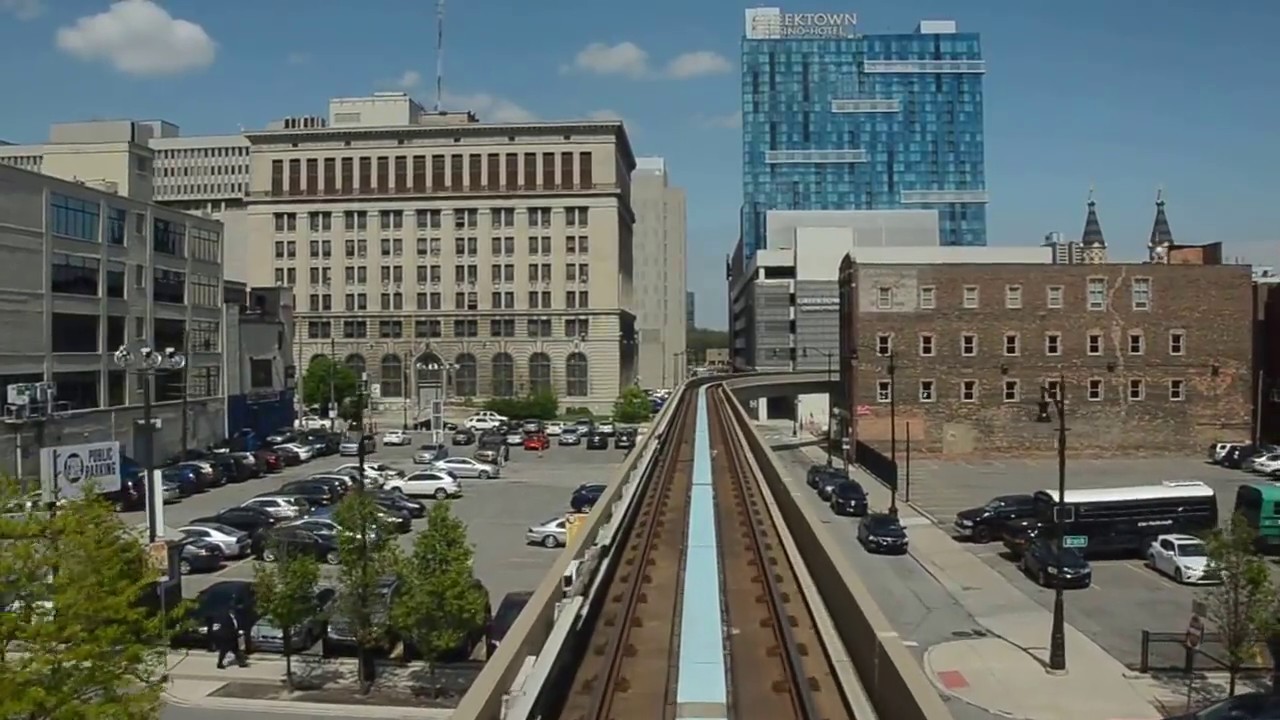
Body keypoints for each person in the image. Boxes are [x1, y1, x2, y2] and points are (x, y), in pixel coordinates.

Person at [215, 599, 249, 669]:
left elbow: (235, 627)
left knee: (236, 650)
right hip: (226, 637)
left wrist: (238, 632)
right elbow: (227, 628)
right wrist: (237, 633)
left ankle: (241, 663)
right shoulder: (226, 618)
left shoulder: (234, 618)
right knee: (224, 651)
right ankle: (220, 663)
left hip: (232, 637)